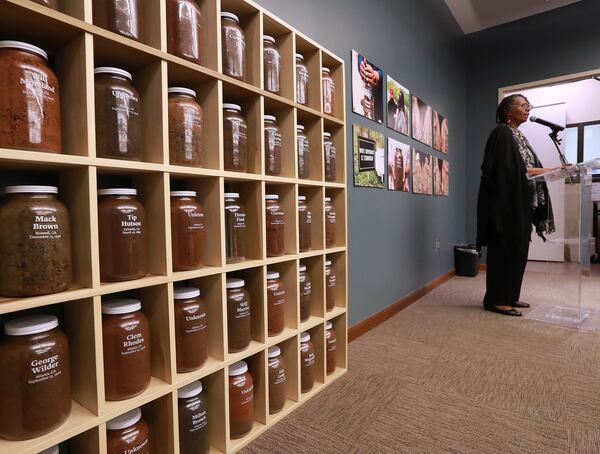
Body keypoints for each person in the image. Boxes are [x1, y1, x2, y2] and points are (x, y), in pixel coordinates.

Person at [476, 94, 556, 316]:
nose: (527, 109)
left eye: (528, 105)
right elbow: (508, 171)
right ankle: (495, 299)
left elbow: (524, 168)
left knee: (518, 251)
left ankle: (510, 296)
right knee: (503, 250)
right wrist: (548, 170)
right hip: (505, 206)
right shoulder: (502, 133)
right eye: (522, 105)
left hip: (521, 203)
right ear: (507, 111)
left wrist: (550, 170)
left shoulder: (518, 135)